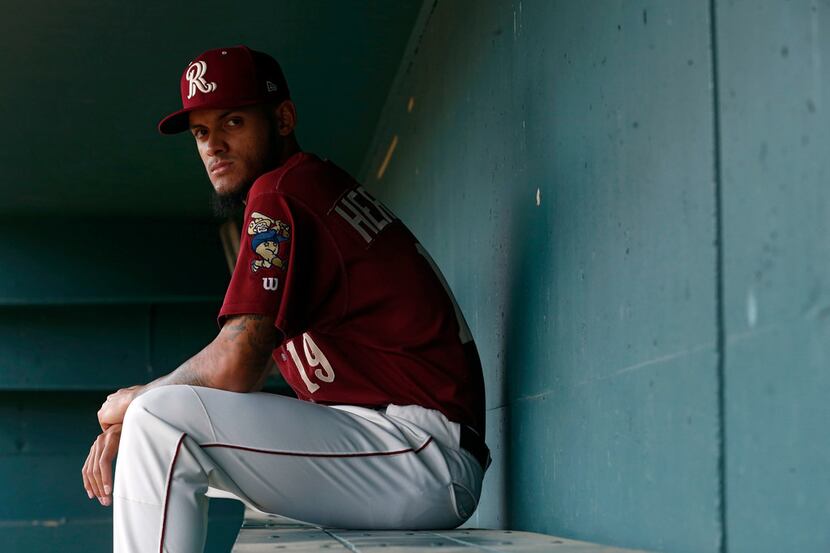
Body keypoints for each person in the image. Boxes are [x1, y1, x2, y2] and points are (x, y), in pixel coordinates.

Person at [80, 45, 488, 553]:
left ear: (283, 118)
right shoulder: (305, 188)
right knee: (158, 422)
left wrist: (132, 403)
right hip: (400, 448)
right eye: (202, 133)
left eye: (232, 122)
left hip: (420, 453)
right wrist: (141, 417)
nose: (213, 146)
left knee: (160, 419)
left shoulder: (282, 192)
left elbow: (234, 364)